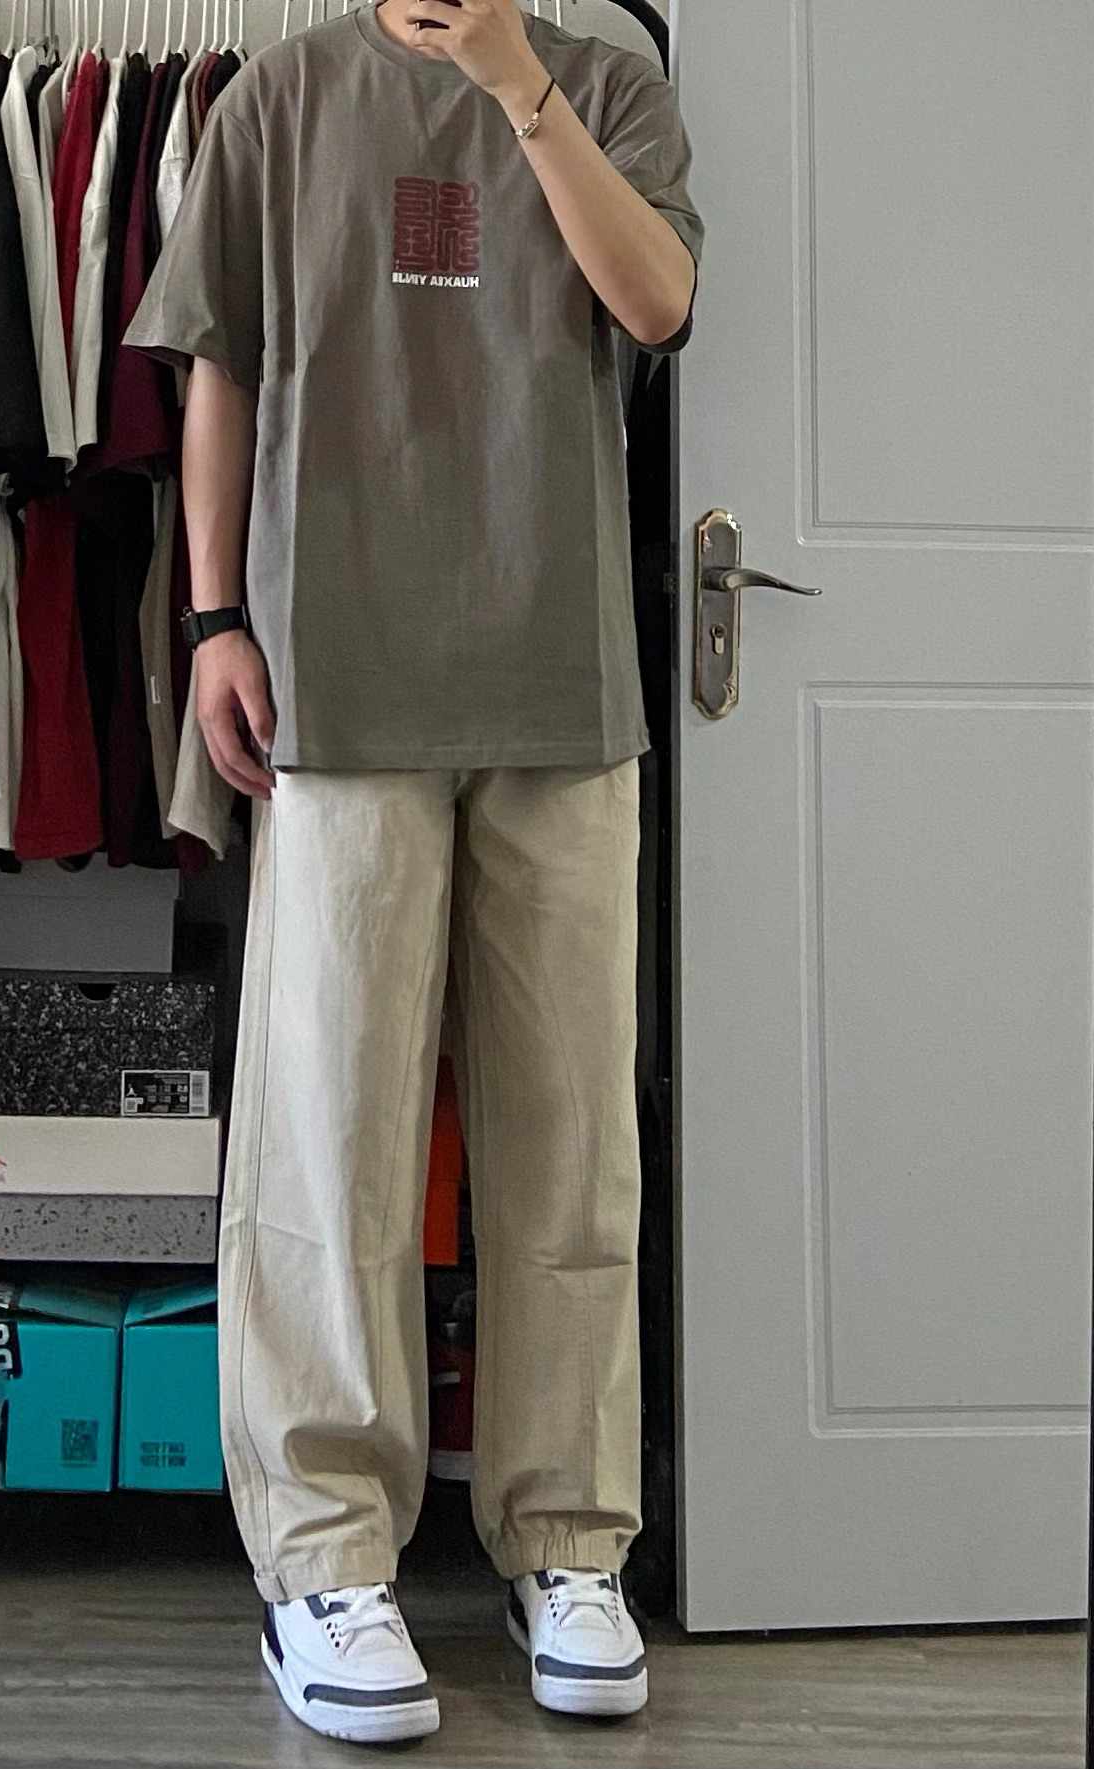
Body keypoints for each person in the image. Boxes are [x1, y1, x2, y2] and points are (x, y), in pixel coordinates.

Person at [128, 0, 701, 1743]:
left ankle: (569, 1540)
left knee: (570, 1140)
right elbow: (218, 365)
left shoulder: (611, 84)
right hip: (340, 675)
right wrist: (213, 619)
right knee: (331, 1134)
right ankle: (323, 1553)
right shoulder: (281, 96)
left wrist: (518, 84)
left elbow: (656, 302)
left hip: (562, 689)